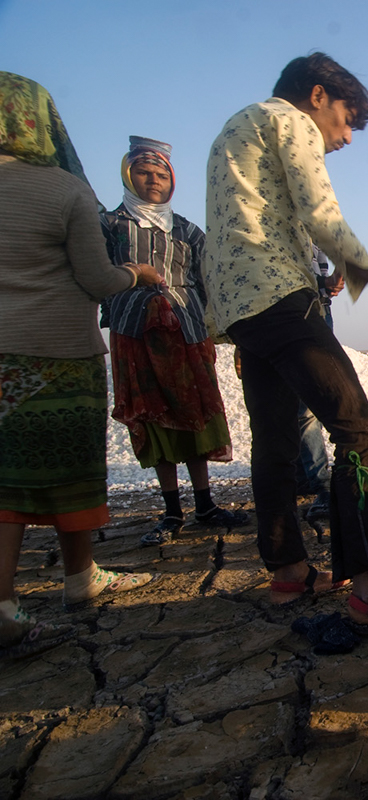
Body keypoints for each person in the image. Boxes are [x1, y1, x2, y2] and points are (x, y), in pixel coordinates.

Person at [204, 53, 368, 632]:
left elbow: (261, 217)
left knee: (273, 444)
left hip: (240, 307)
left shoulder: (235, 126)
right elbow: (321, 212)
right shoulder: (289, 121)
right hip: (278, 294)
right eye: (346, 120)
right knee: (359, 430)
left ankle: (289, 571)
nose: (345, 137)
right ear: (317, 95)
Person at [0, 73, 161, 656]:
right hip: (60, 355)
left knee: (5, 479)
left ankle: (25, 596)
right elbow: (97, 279)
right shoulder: (65, 191)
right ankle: (74, 581)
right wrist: (138, 275)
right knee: (69, 470)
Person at [100, 136, 248, 547]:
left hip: (186, 330)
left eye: (162, 173)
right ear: (128, 176)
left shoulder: (187, 230)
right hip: (134, 334)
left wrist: (225, 329)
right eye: (144, 172)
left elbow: (210, 280)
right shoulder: (111, 226)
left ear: (173, 180)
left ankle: (205, 503)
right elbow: (94, 273)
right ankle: (171, 510)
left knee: (195, 412)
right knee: (153, 415)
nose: (153, 180)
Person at [295, 244, 342, 519]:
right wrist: (322, 282)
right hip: (289, 313)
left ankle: (318, 481)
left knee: (309, 403)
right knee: (303, 406)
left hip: (319, 311)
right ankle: (317, 481)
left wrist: (330, 283)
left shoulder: (313, 227)